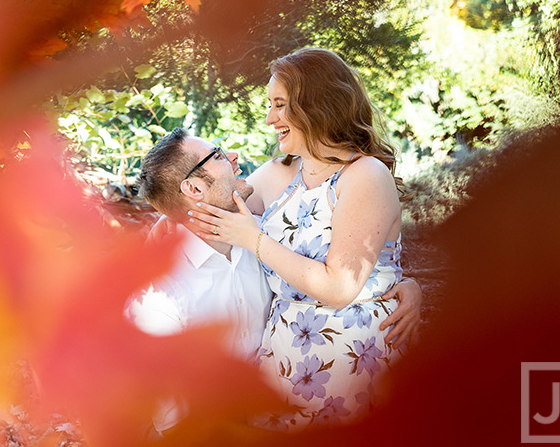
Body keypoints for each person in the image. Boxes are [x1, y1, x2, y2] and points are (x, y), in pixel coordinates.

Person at [134, 124, 420, 429]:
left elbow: (325, 260)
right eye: (217, 155)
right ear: (193, 189)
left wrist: (402, 284)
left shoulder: (260, 238)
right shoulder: (161, 292)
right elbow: (171, 414)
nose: (233, 155)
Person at [186, 48, 410, 428]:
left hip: (353, 363)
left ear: (315, 105)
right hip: (284, 360)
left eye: (280, 105)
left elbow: (340, 285)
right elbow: (210, 211)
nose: (270, 118)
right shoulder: (278, 173)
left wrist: (255, 240)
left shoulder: (366, 176)